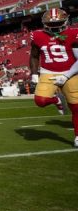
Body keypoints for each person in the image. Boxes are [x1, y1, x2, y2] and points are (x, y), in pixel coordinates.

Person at [30, 8, 78, 147]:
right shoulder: (37, 35)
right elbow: (34, 55)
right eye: (51, 24)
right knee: (40, 100)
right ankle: (56, 99)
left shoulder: (73, 33)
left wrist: (66, 75)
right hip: (48, 72)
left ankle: (77, 136)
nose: (55, 27)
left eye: (59, 23)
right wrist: (34, 73)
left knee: (76, 108)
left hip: (71, 72)